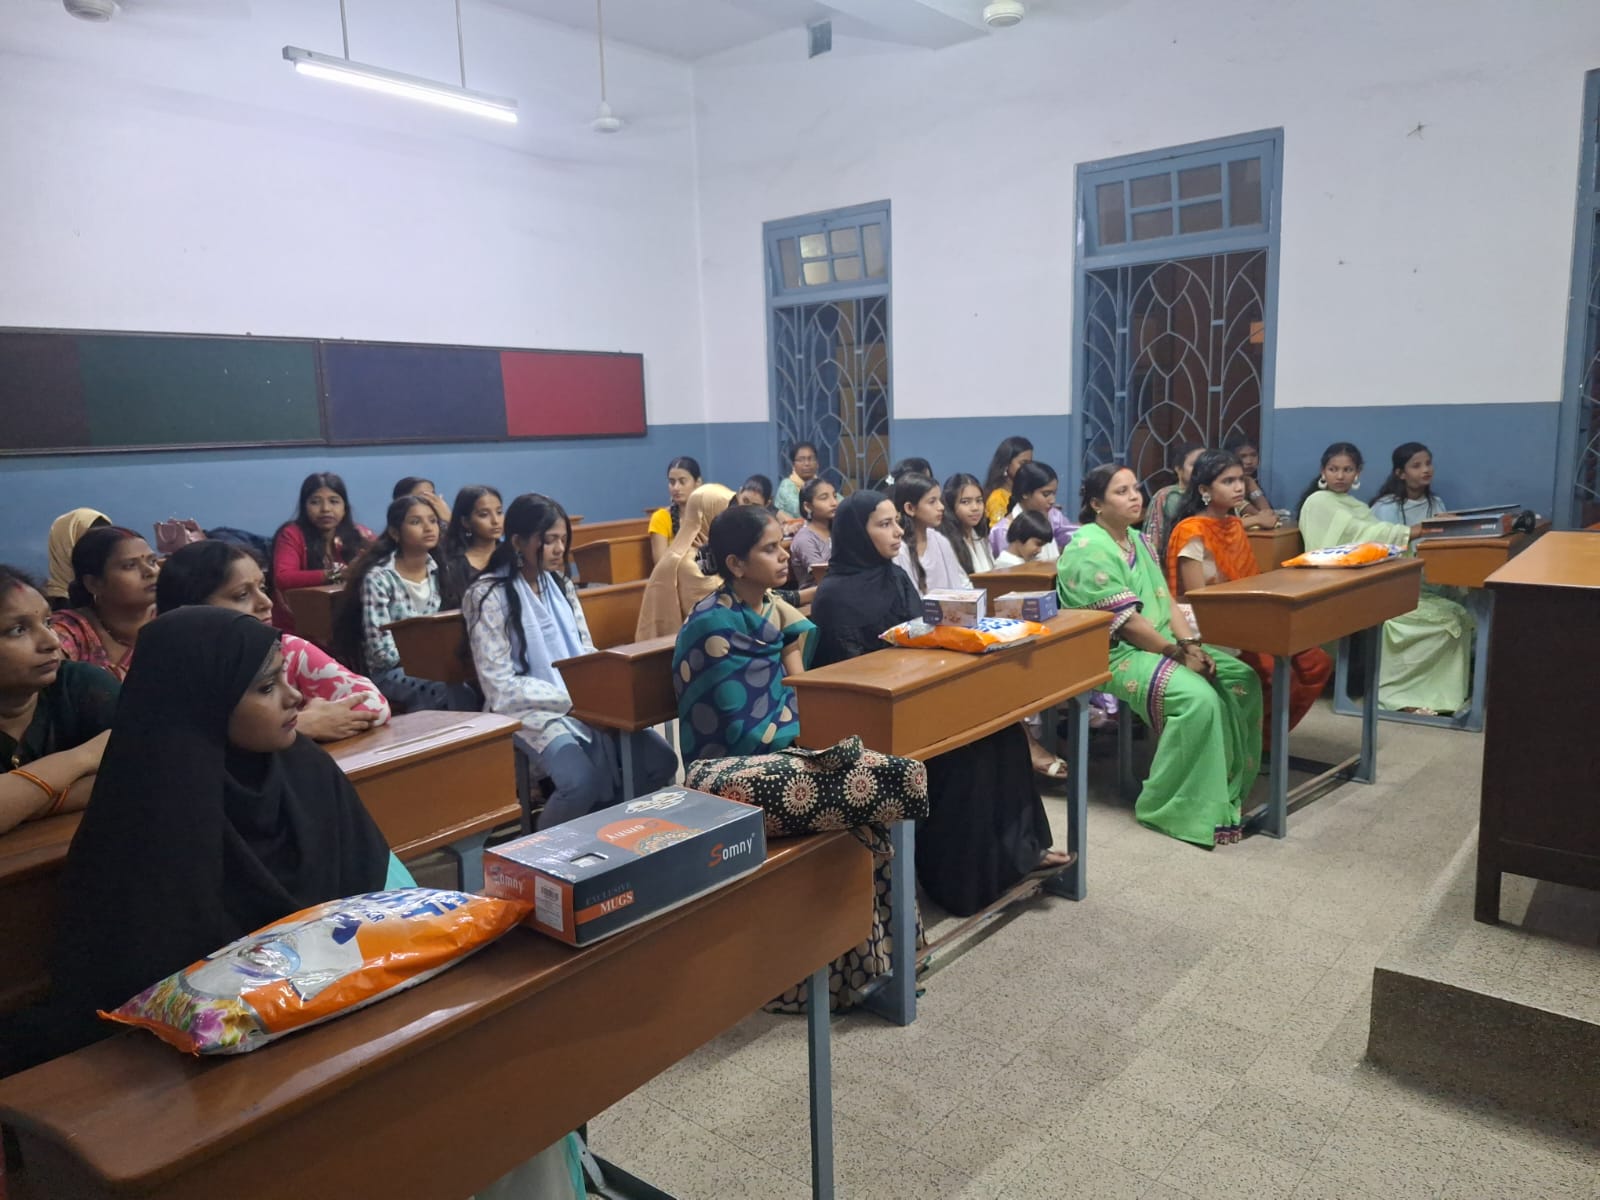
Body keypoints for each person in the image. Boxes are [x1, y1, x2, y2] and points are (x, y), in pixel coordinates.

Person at [812, 491, 1070, 915]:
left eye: (896, 522)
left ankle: (1018, 855)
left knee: (1002, 735)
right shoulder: (834, 596)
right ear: (857, 533)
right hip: (875, 719)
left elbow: (921, 633)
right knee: (965, 760)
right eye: (883, 524)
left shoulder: (895, 576)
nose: (897, 532)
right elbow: (848, 678)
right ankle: (963, 885)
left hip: (917, 697)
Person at [1058, 464, 1262, 847]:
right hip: (1115, 652)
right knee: (1198, 699)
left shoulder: (1138, 540)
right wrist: (1176, 654)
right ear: (1097, 503)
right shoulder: (1087, 549)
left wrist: (1191, 645)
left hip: (1163, 641)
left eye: (1135, 488)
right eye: (1121, 491)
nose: (1134, 497)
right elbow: (1127, 623)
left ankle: (1222, 789)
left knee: (1242, 679)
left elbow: (1165, 600)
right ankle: (1170, 806)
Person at [465, 494, 677, 829]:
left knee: (661, 761)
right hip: (524, 707)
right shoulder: (488, 594)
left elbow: (584, 649)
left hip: (581, 698)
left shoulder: (560, 585)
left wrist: (603, 693)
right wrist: (573, 699)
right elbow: (498, 683)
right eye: (549, 540)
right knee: (580, 782)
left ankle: (609, 826)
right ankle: (538, 851)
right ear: (518, 542)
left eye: (563, 540)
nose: (559, 549)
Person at [1298, 442, 1474, 715]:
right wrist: (1412, 532)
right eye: (1333, 469)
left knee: (1456, 614)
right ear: (1323, 471)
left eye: (1348, 470)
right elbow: (1360, 535)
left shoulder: (1356, 505)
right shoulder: (1317, 501)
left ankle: (1439, 696)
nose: (1340, 476)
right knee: (1438, 622)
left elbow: (1375, 541)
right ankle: (1396, 694)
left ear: (1358, 473)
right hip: (1337, 587)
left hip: (1370, 582)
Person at [1166, 450, 1332, 736]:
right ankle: (1252, 740)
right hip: (1207, 623)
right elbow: (1198, 598)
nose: (1238, 487)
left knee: (1316, 662)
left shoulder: (1233, 525)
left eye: (1240, 479)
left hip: (1243, 615)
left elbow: (1246, 581)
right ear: (1204, 490)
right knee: (1274, 673)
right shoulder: (1191, 532)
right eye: (1227, 481)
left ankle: (1264, 739)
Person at [156, 540, 389, 741]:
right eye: (242, 595)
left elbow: (374, 704)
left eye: (263, 588)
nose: (266, 602)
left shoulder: (287, 649)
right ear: (192, 608)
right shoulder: (164, 670)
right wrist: (300, 726)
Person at [673, 507, 814, 763]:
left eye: (781, 544)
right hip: (732, 762)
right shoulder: (710, 623)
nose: (784, 555)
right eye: (770, 549)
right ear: (736, 564)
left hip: (790, 737)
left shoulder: (775, 607)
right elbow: (734, 721)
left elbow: (800, 686)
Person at [0, 565, 118, 837]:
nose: (52, 641)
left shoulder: (79, 684)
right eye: (18, 630)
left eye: (47, 622)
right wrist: (85, 756)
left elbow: (148, 770)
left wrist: (18, 801)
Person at [333, 496, 477, 714]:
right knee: (450, 690)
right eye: (416, 522)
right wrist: (427, 658)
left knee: (475, 680)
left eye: (433, 520)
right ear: (394, 533)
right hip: (390, 672)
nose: (428, 528)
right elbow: (380, 653)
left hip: (437, 665)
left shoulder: (441, 569)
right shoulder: (379, 577)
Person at [49, 525, 158, 682]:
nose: (151, 572)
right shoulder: (69, 630)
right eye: (129, 566)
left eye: (152, 561)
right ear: (93, 583)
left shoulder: (175, 622)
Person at [271, 472, 372, 632]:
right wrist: (338, 575)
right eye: (315, 502)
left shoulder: (359, 534)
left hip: (348, 624)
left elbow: (385, 559)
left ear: (344, 507)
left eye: (334, 501)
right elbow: (283, 577)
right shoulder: (292, 534)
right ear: (304, 507)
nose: (325, 509)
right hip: (298, 626)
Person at [635, 483, 735, 641]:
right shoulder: (690, 562)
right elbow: (724, 604)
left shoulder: (715, 550)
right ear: (707, 517)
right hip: (700, 641)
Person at [892, 473, 968, 593]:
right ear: (910, 508)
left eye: (940, 500)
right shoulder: (899, 549)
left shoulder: (940, 540)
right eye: (932, 501)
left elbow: (958, 584)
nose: (941, 507)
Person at [988, 461, 1077, 563]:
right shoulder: (1002, 530)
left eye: (1054, 494)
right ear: (1025, 493)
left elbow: (1075, 538)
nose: (1052, 500)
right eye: (1046, 494)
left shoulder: (1053, 516)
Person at [439, 484, 505, 609]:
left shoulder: (513, 555)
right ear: (466, 522)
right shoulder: (453, 565)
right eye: (484, 514)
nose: (495, 521)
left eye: (499, 512)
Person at [1143, 443, 1204, 567]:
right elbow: (1153, 540)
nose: (1200, 470)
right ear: (1178, 469)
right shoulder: (1166, 496)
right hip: (1172, 562)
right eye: (1194, 465)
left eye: (1204, 465)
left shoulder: (1212, 493)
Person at [43, 508, 109, 611]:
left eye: (107, 542)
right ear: (66, 547)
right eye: (92, 542)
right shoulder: (46, 612)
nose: (103, 551)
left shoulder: (113, 601)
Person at [1370, 442, 1449, 526]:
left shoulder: (1436, 502)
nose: (1426, 470)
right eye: (1416, 466)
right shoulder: (1386, 507)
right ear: (1401, 473)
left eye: (1428, 463)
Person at [647, 456, 703, 566]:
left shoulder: (708, 514)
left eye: (682, 482)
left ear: (697, 483)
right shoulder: (661, 517)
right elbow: (661, 566)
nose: (676, 488)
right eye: (672, 482)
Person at [787, 477, 837, 588]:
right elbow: (824, 580)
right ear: (808, 506)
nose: (834, 503)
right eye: (824, 498)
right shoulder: (805, 539)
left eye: (835, 496)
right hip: (817, 596)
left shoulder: (837, 531)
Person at [941, 472, 994, 576]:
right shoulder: (946, 543)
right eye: (965, 502)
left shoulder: (980, 536)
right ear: (951, 505)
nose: (975, 508)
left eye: (979, 501)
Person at [1223, 434, 1278, 528]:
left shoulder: (1250, 482)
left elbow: (1269, 514)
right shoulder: (1226, 487)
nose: (1249, 461)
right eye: (1243, 456)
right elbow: (1264, 518)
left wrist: (1252, 486)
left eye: (1253, 455)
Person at [982, 435, 1035, 525]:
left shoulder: (1025, 495)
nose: (1027, 468)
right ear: (1006, 464)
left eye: (1030, 464)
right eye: (1023, 463)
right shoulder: (998, 498)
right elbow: (999, 531)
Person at [774, 441, 820, 520]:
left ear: (817, 463)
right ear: (793, 465)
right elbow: (800, 509)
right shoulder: (786, 485)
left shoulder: (820, 484)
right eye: (801, 460)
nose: (807, 463)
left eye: (811, 459)